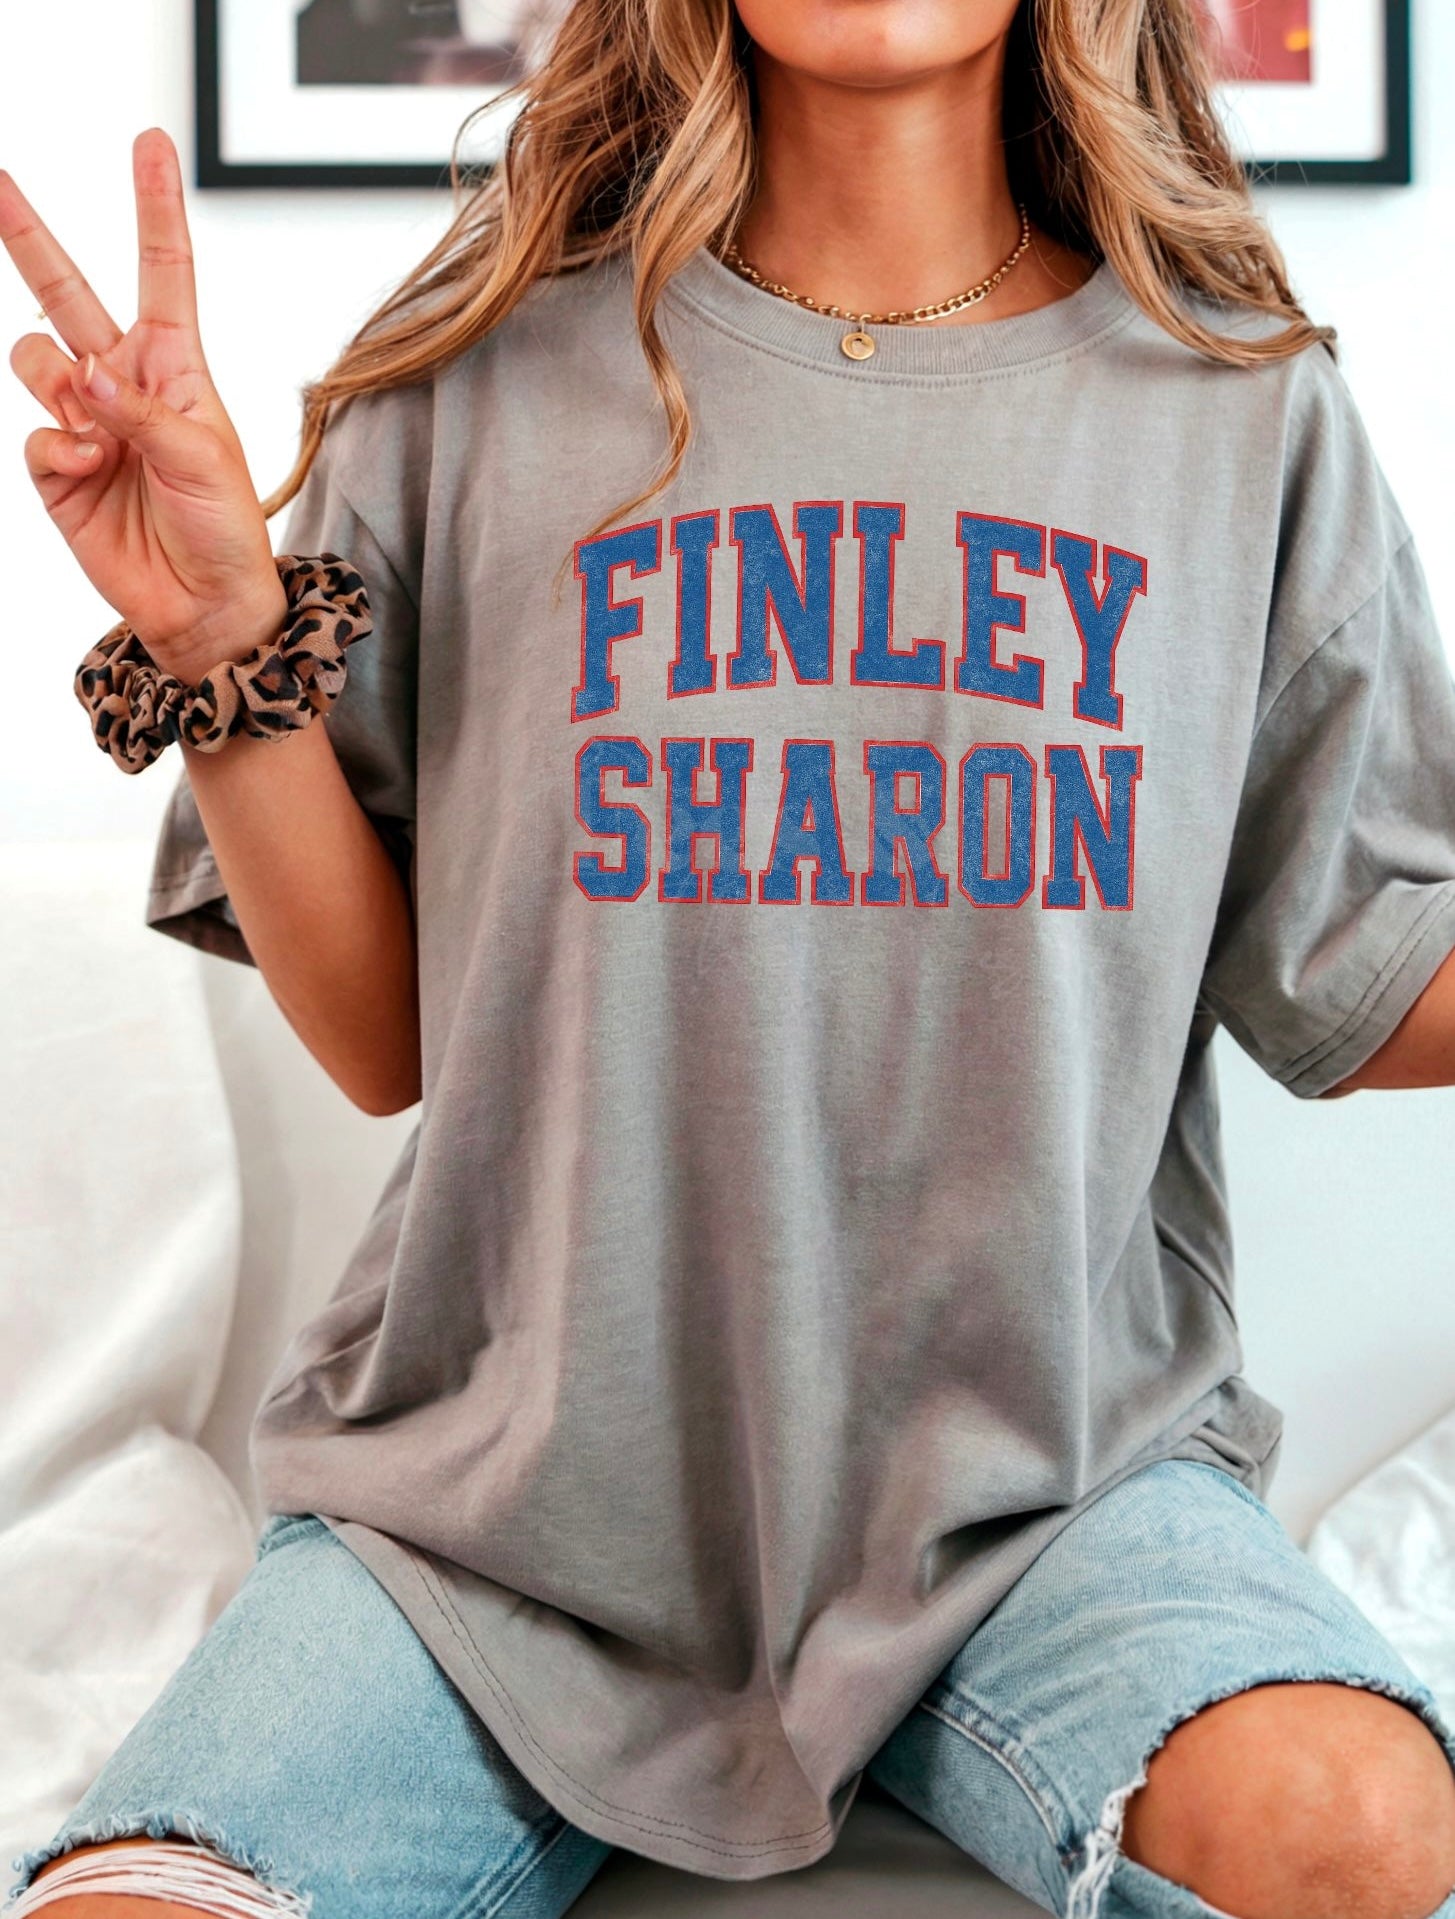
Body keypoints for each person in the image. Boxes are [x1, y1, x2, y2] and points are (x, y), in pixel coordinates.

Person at [5, 1, 1455, 1915]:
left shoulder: (1236, 403)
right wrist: (215, 650)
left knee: (1362, 1830)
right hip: (500, 1530)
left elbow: (1368, 983)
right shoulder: (470, 375)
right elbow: (378, 1041)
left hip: (1056, 1504)